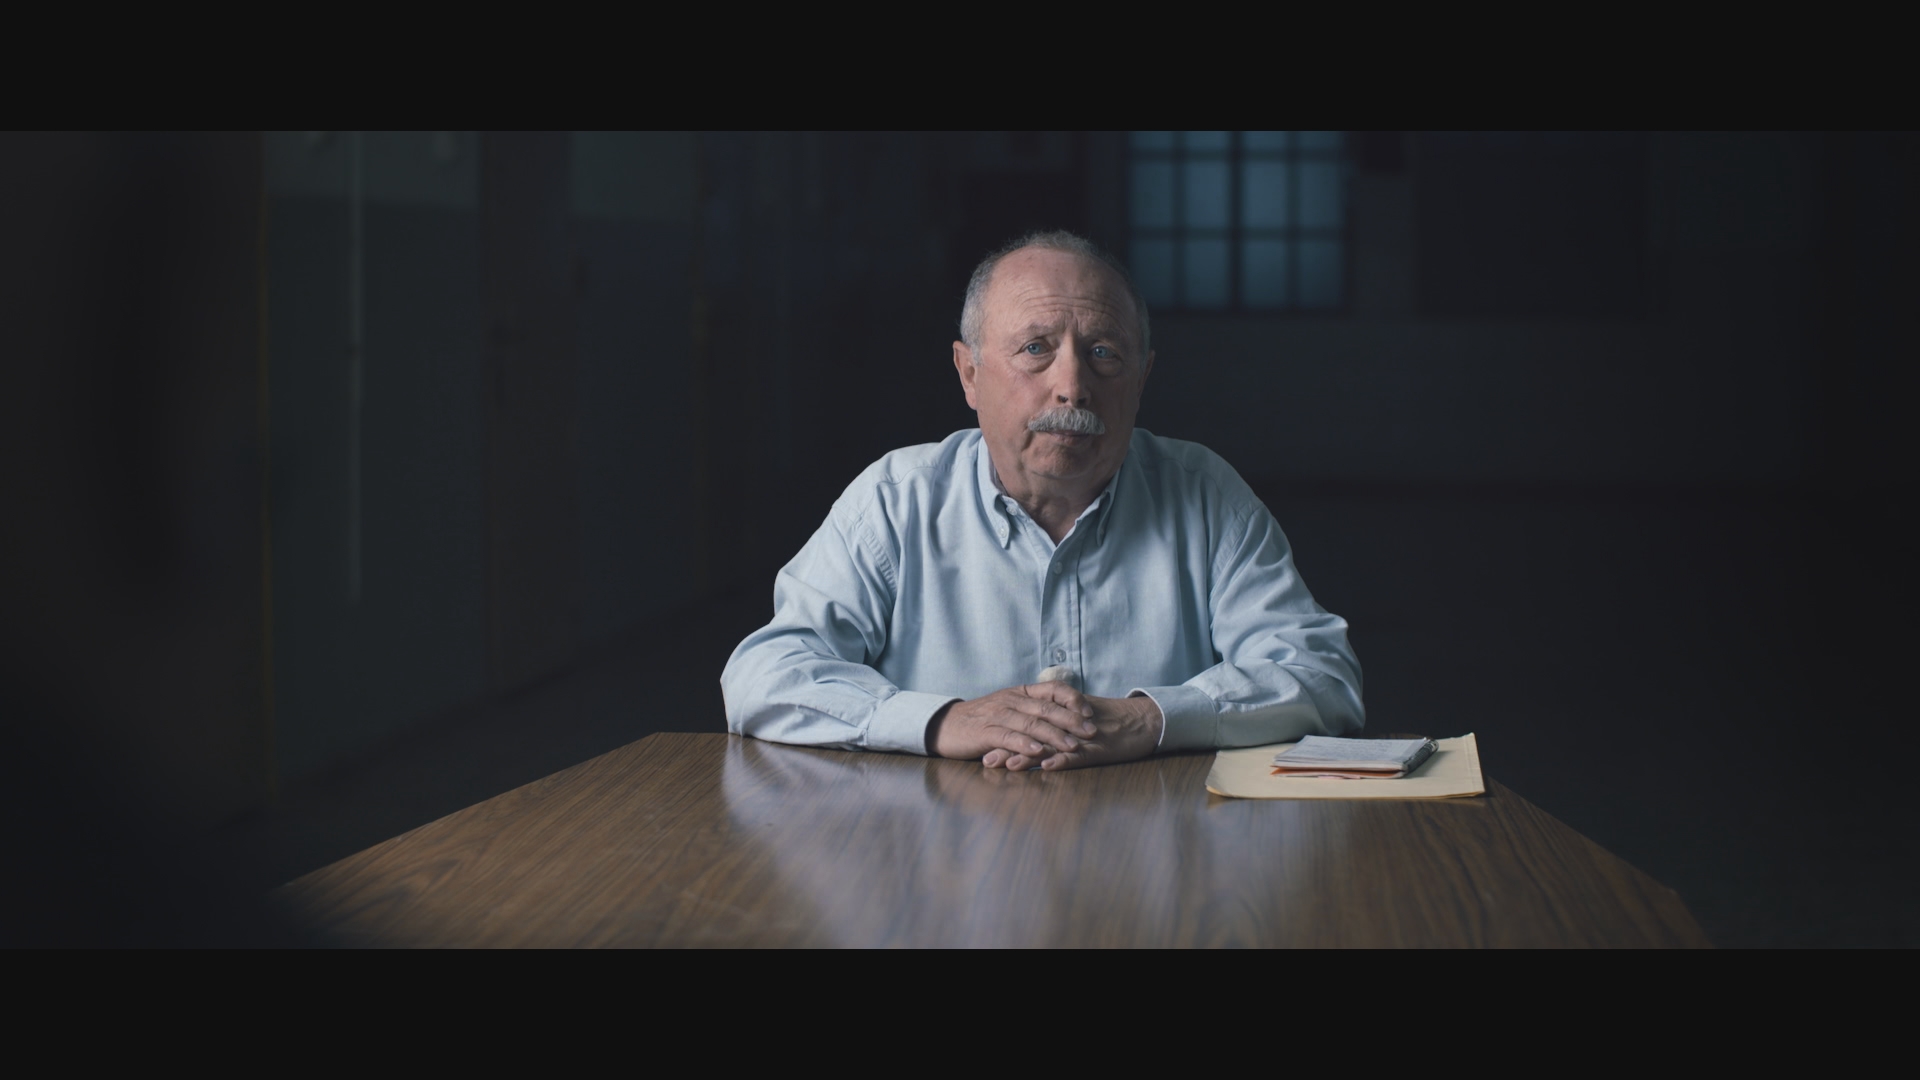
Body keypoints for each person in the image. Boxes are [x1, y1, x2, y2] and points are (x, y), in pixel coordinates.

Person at [721, 231, 1362, 771]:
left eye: (1104, 353)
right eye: (1035, 349)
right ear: (969, 374)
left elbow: (1323, 678)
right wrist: (943, 720)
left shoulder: (1204, 494)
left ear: (1142, 378)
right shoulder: (896, 501)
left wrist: (1148, 720)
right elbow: (764, 676)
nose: (1073, 386)